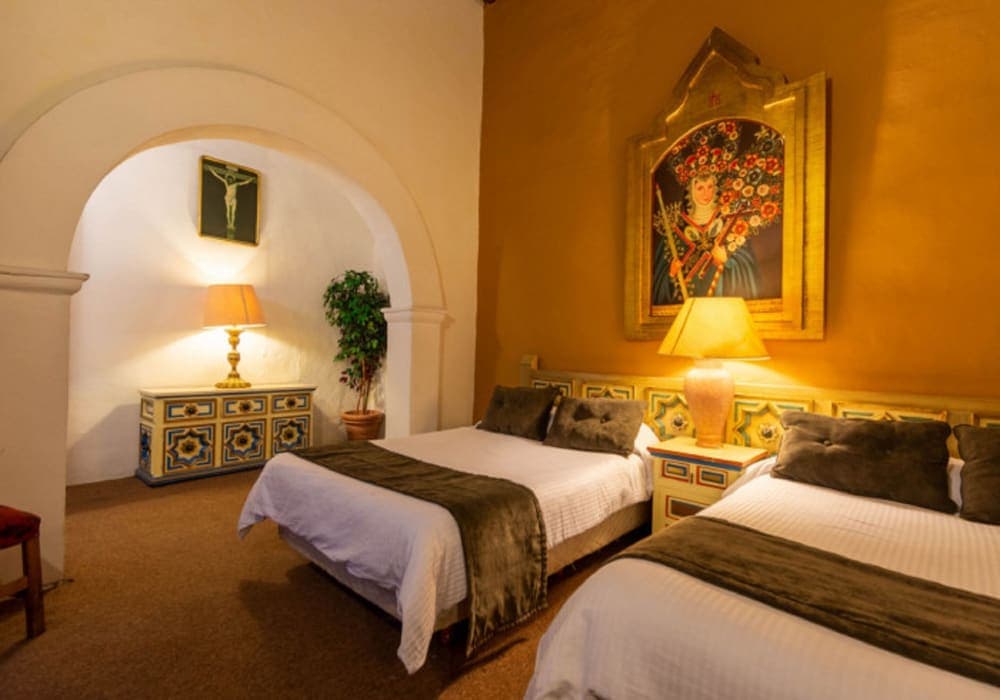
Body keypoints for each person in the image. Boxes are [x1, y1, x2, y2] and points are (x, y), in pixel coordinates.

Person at [204, 162, 257, 239]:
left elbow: (244, 183)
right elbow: (218, 176)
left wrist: (250, 180)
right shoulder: (226, 183)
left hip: (233, 199)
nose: (230, 180)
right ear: (228, 179)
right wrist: (212, 170)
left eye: (231, 178)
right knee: (228, 211)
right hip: (228, 198)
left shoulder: (235, 184)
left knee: (233, 212)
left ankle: (232, 223)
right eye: (229, 178)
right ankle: (229, 223)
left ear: (232, 179)